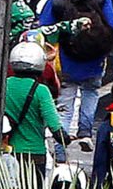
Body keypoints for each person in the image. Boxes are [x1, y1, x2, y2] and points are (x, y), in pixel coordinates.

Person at [39, 0, 113, 156]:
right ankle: (85, 132)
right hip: (94, 59)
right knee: (91, 92)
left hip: (67, 60)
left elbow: (44, 27)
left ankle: (60, 149)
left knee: (65, 102)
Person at [6, 42, 69, 177]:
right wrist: (65, 139)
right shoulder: (41, 91)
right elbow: (54, 125)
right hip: (33, 153)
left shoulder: (4, 85)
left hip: (6, 151)